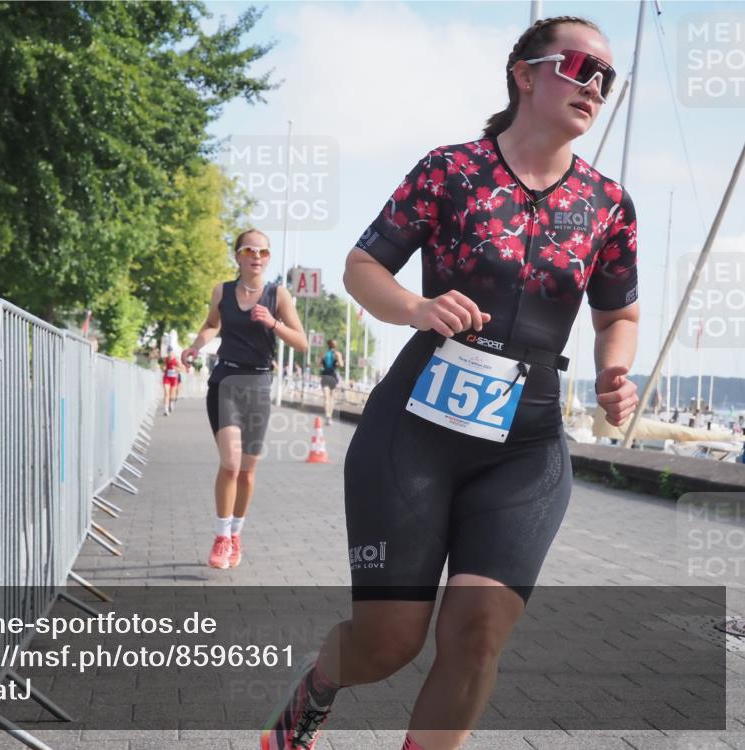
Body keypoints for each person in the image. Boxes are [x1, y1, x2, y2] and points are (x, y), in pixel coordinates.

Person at [262, 16, 638, 750]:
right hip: (415, 431)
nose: (594, 86)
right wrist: (417, 308)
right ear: (525, 74)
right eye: (578, 66)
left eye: (606, 78)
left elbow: (617, 313)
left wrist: (614, 369)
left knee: (476, 635)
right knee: (389, 642)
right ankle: (319, 684)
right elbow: (362, 267)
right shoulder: (452, 170)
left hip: (525, 445)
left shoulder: (609, 205)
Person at [183, 229, 307, 570]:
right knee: (231, 464)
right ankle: (221, 537)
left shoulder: (277, 295)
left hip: (258, 385)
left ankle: (236, 534)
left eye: (264, 252)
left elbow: (302, 343)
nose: (257, 256)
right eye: (250, 250)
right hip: (225, 381)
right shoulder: (222, 291)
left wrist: (274, 324)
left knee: (248, 473)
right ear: (237, 255)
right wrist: (196, 346)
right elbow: (212, 325)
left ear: (268, 258)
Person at [319, 340, 343, 424]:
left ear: (328, 345)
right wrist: (336, 364)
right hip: (333, 376)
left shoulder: (324, 353)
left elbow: (319, 364)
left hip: (325, 376)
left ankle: (327, 415)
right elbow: (341, 365)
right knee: (332, 398)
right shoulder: (337, 354)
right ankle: (330, 416)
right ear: (335, 346)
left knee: (326, 397)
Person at [161, 349, 182, 415]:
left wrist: (176, 368)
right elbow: (163, 367)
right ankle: (166, 410)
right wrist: (163, 368)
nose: (170, 354)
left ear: (173, 353)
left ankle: (171, 403)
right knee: (166, 393)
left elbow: (180, 369)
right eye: (169, 352)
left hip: (174, 379)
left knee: (172, 395)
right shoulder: (166, 359)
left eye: (171, 353)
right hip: (167, 378)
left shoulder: (176, 360)